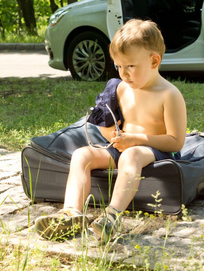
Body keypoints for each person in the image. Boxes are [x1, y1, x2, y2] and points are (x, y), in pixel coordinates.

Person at [35, 19, 187, 241]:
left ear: (154, 61)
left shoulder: (169, 95)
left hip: (155, 151)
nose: (123, 74)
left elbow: (176, 142)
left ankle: (112, 217)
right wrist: (113, 137)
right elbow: (105, 125)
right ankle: (71, 213)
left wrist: (135, 140)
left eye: (131, 66)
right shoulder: (121, 88)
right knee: (81, 155)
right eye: (118, 66)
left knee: (132, 154)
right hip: (124, 148)